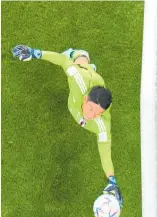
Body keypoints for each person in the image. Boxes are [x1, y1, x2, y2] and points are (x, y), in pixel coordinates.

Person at [11, 45, 123, 206]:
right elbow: (63, 61)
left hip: (93, 83)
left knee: (94, 76)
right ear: (85, 100)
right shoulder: (79, 80)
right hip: (85, 76)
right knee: (80, 63)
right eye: (91, 109)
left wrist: (112, 180)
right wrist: (35, 53)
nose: (91, 115)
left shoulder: (102, 125)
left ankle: (90, 68)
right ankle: (79, 54)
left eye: (97, 113)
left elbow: (105, 151)